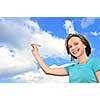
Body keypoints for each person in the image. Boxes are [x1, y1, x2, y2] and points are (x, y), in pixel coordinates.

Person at [31, 34, 100, 83]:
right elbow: (48, 70)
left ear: (84, 45)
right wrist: (36, 53)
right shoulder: (71, 68)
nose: (73, 48)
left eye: (76, 44)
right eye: (70, 46)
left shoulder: (95, 62)